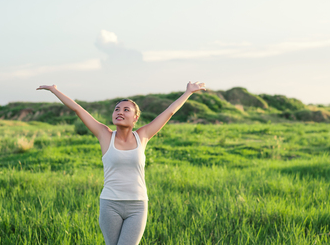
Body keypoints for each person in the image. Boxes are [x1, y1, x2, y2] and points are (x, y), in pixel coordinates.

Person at [36, 81, 206, 245]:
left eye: (126, 110)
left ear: (135, 117)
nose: (120, 112)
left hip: (137, 206)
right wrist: (54, 90)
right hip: (110, 204)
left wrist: (188, 92)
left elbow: (169, 112)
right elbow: (78, 109)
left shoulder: (143, 136)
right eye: (117, 109)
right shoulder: (105, 135)